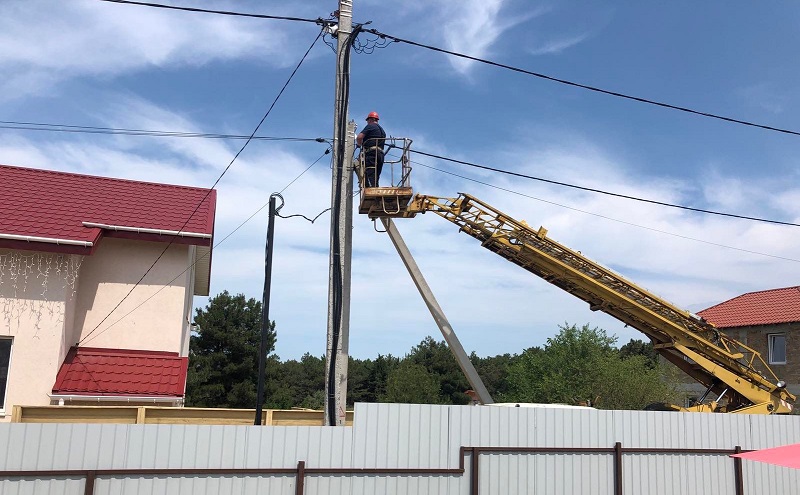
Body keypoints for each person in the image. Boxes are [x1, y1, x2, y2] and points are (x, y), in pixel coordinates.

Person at [357, 111, 386, 187]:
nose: (367, 122)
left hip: (372, 154)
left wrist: (359, 145)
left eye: (367, 120)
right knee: (376, 175)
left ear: (371, 119)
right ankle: (375, 188)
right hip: (381, 155)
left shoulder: (370, 126)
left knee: (370, 173)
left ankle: (370, 189)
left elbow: (359, 137)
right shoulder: (382, 131)